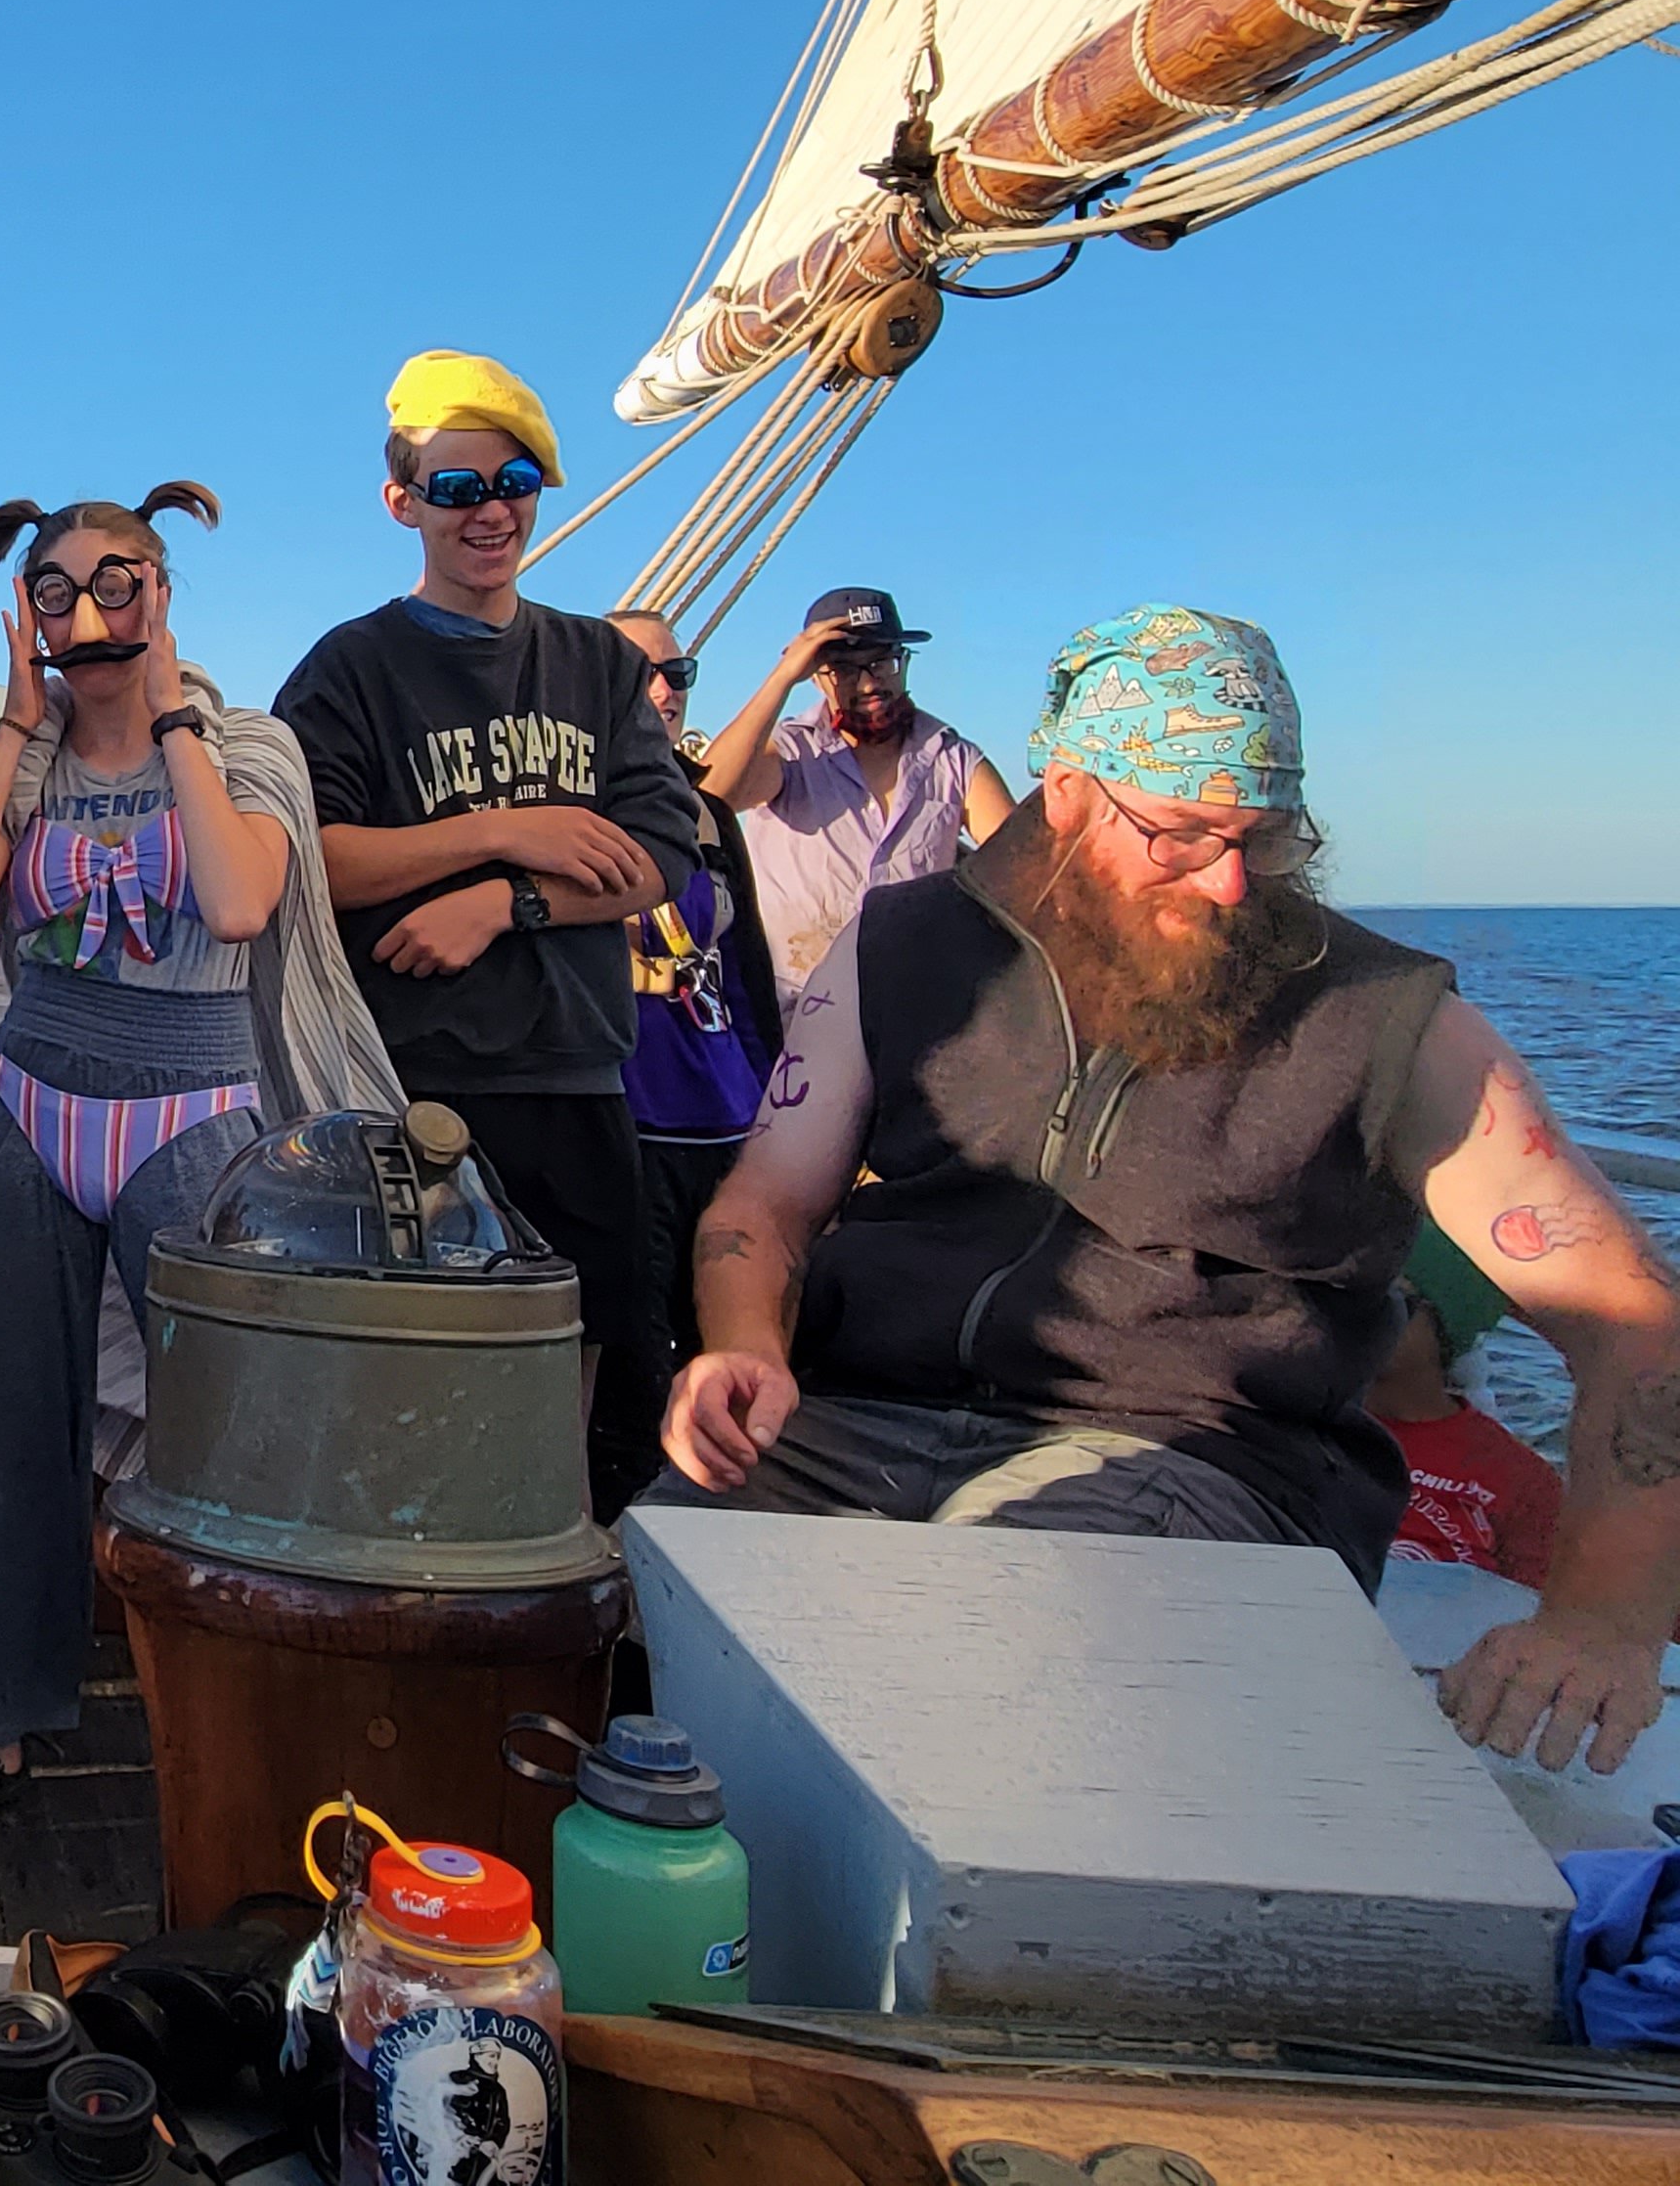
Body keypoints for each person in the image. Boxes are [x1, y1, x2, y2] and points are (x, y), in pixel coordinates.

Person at [657, 603, 1680, 1776]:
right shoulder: (900, 947)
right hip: (856, 1422)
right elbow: (766, 1207)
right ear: (1071, 796)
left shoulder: (1392, 1020)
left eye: (1270, 835)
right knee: (628, 1603)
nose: (1234, 881)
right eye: (1183, 835)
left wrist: (1603, 1622)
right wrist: (746, 1347)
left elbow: (1637, 1320)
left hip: (1201, 1468)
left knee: (991, 1656)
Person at [0, 486, 397, 1814]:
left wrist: (171, 712)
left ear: (163, 593)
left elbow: (239, 901)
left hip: (197, 1115)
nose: (88, 614)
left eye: (118, 583)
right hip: (30, 1105)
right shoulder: (25, 760)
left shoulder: (245, 748)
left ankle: (255, 1709)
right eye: (55, 591)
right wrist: (14, 723)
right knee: (7, 1423)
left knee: (233, 1431)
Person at [272, 352, 700, 1517]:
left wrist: (505, 903)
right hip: (415, 1089)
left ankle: (545, 1604)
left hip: (577, 1078)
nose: (491, 510)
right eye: (456, 488)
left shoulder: (599, 663)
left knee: (580, 1377)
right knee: (416, 1384)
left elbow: (662, 853)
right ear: (402, 502)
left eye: (514, 481)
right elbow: (313, 858)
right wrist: (508, 829)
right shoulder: (352, 668)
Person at [607, 609, 784, 1370]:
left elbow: (744, 976)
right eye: (640, 672)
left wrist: (773, 1103)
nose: (666, 689)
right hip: (631, 1123)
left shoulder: (708, 816)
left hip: (726, 1119)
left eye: (678, 673)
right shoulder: (563, 810)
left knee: (735, 1350)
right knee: (636, 1363)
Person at [700, 585, 1014, 1008]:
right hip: (798, 1012)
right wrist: (781, 679)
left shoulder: (952, 759)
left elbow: (1022, 866)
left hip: (918, 1014)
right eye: (846, 669)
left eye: (883, 663)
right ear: (815, 675)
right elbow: (711, 796)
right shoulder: (791, 753)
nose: (869, 684)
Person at [1370, 1252, 1565, 1592]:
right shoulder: (1296, 1429)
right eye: (1345, 1296)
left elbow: (1535, 1613)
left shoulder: (1519, 1479)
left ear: (1446, 1329)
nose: (1358, 1315)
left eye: (1389, 1300)